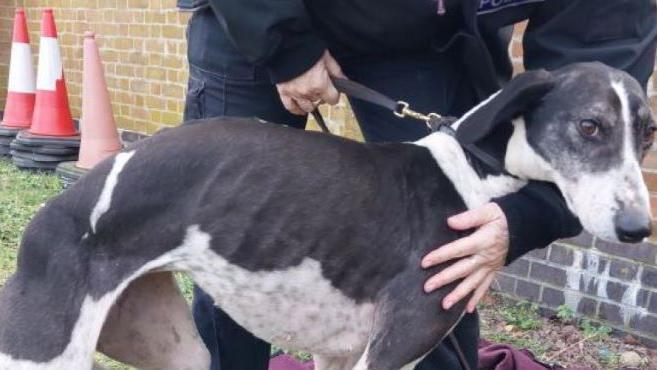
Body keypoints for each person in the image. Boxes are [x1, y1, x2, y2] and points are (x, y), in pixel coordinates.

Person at [177, 0, 657, 369]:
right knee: (225, 236)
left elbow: (606, 42)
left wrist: (526, 215)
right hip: (255, 21)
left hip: (423, 37)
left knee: (450, 248)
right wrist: (280, 40)